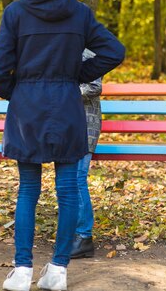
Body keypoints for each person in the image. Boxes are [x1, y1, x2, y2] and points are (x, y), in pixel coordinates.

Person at [0, 0, 125, 291]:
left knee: (28, 190)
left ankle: (21, 271)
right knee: (66, 190)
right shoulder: (78, 12)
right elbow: (114, 51)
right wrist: (77, 74)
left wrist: (14, 91)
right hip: (66, 104)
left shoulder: (16, 12)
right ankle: (58, 271)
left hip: (28, 107)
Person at [71, 49, 102, 259]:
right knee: (67, 180)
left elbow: (94, 86)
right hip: (66, 125)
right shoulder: (62, 48)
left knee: (76, 179)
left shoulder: (87, 55)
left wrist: (64, 92)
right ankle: (72, 234)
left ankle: (83, 236)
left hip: (85, 125)